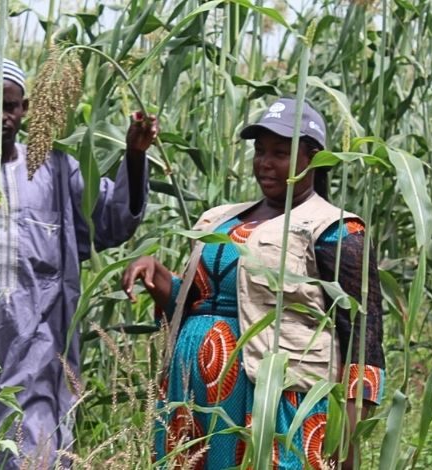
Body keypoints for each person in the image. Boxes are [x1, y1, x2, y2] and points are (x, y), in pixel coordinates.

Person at [0, 57, 157, 469]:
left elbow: (110, 220)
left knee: (36, 449)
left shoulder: (56, 169)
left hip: (38, 343)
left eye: (10, 106)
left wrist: (134, 154)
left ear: (26, 108)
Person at [121, 97, 385, 469]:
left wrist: (351, 426)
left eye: (280, 152)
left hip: (271, 396)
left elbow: (363, 328)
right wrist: (158, 275)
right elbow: (195, 301)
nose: (265, 162)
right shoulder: (219, 219)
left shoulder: (334, 228)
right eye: (260, 151)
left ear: (315, 158)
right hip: (192, 396)